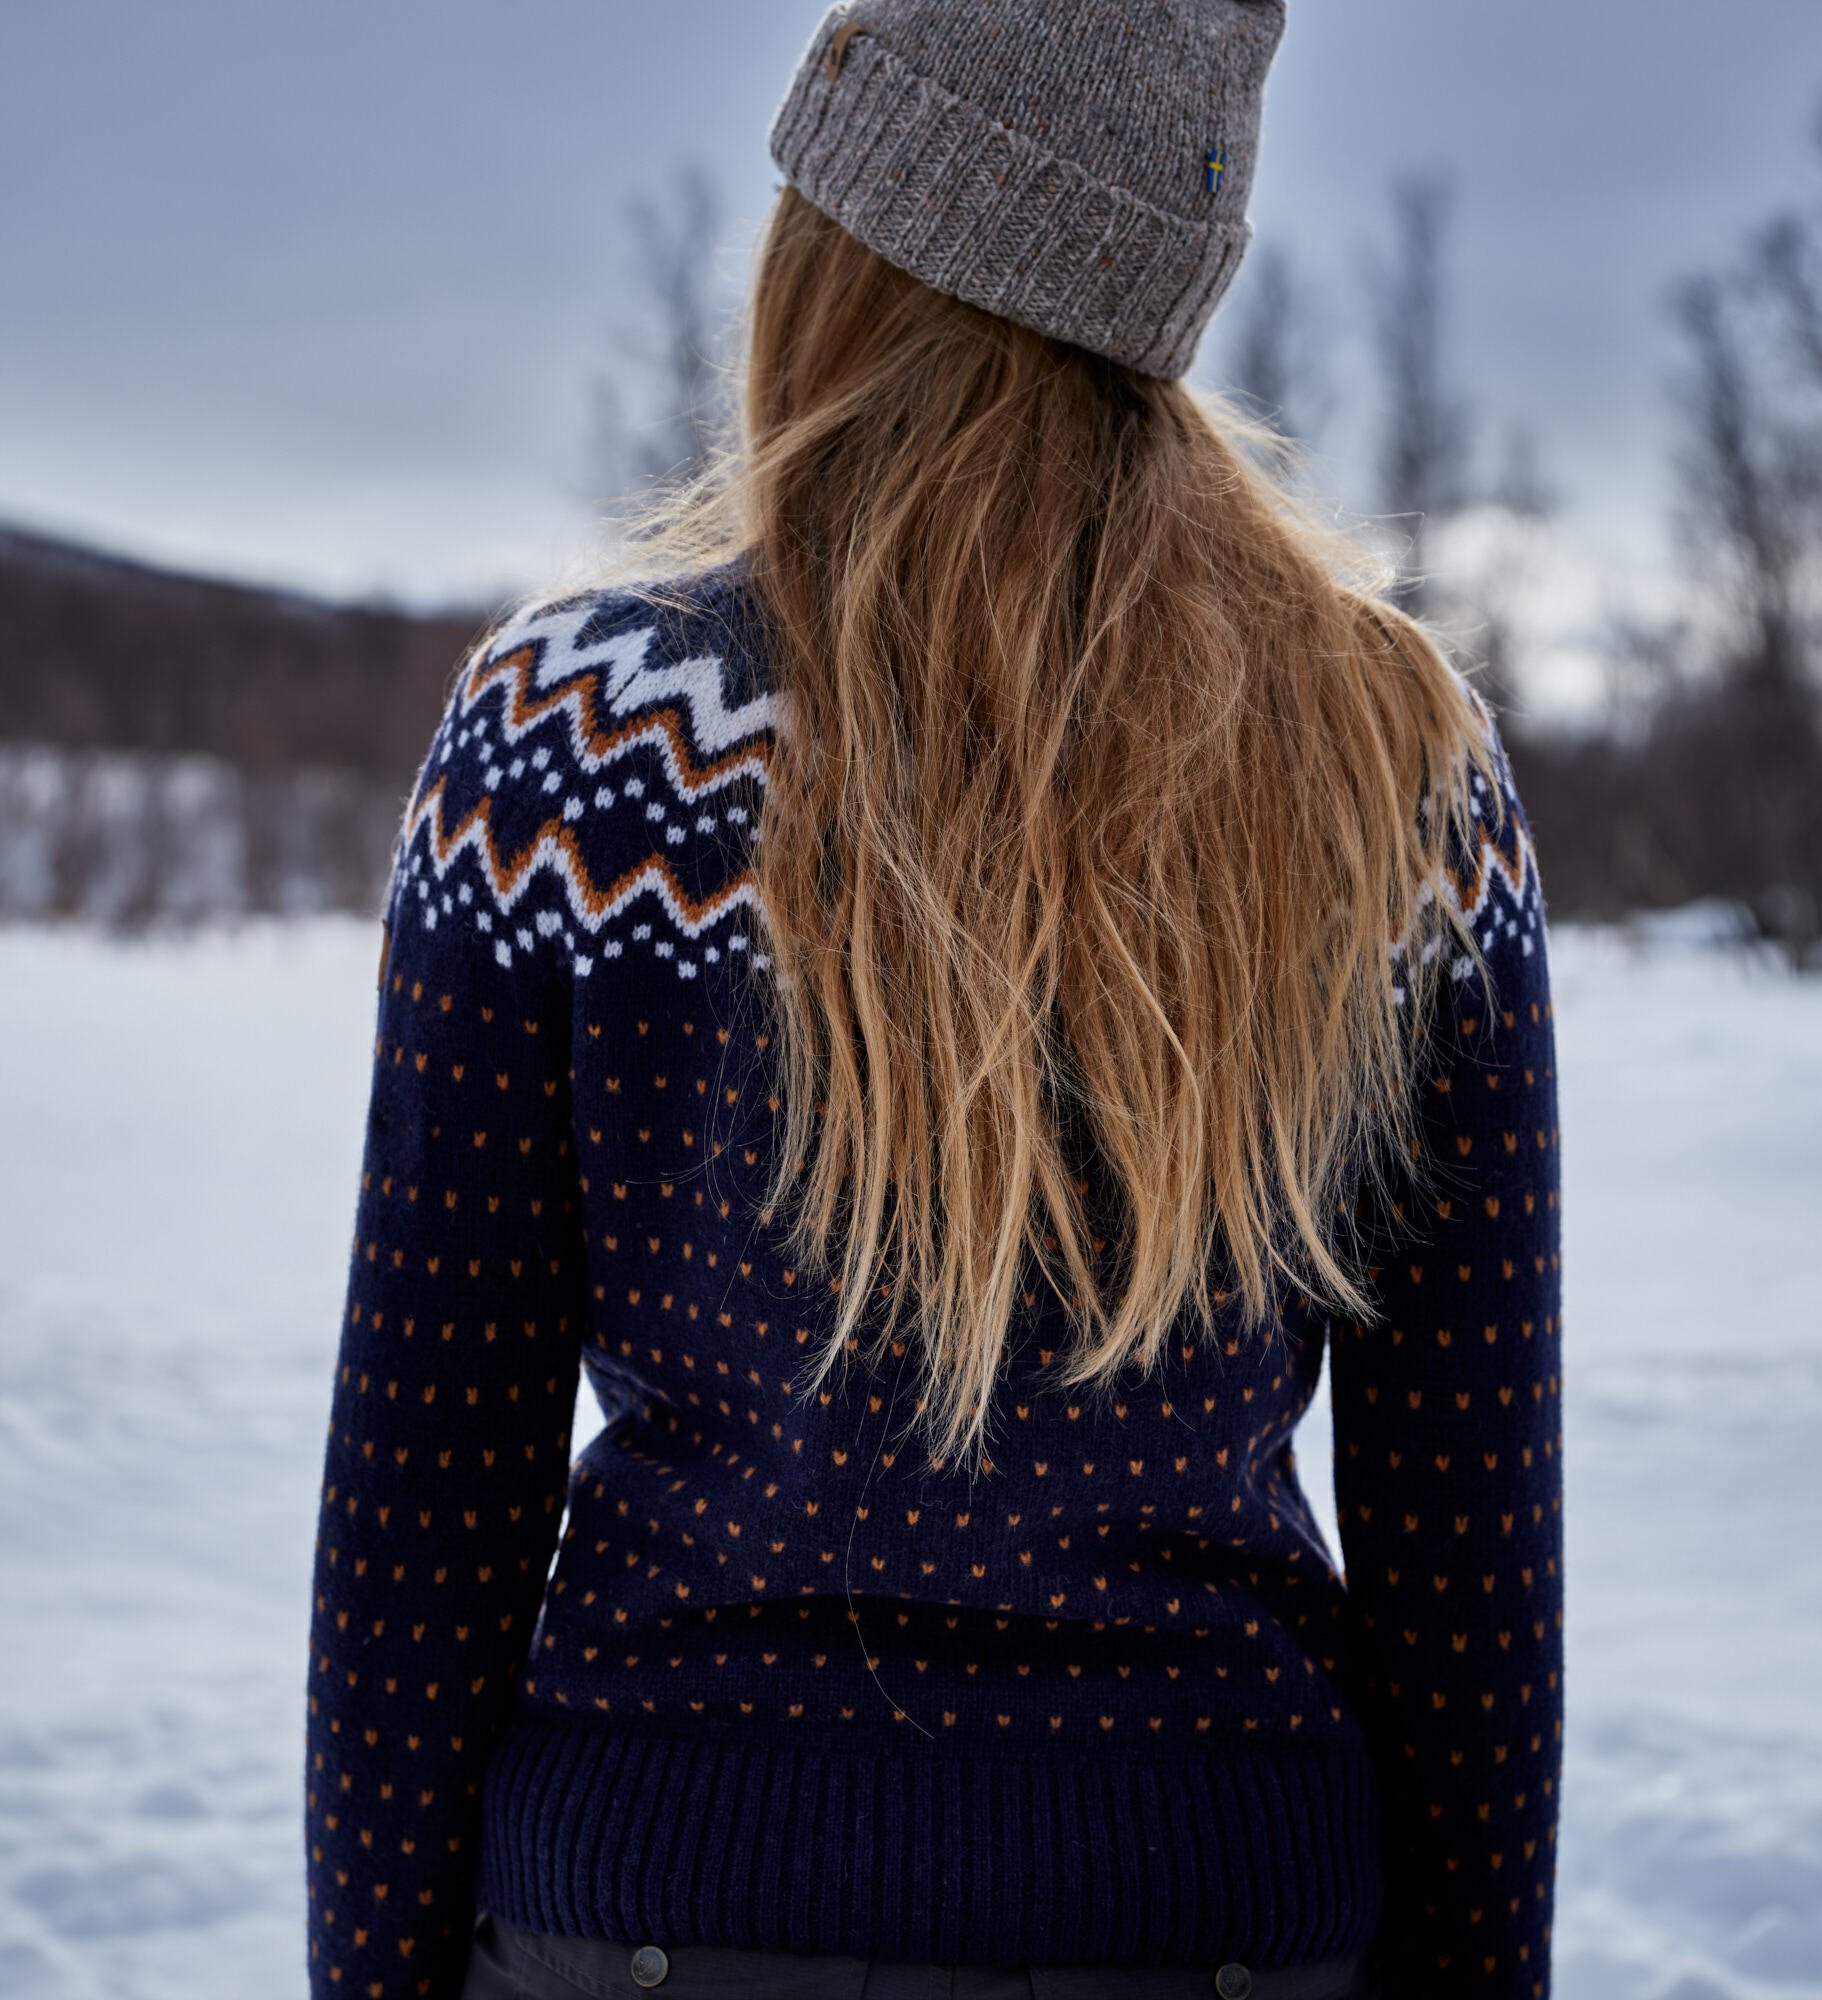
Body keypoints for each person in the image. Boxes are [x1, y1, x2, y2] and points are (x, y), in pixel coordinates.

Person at [301, 3, 1565, 1996]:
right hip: (1213, 1916)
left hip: (659, 1911)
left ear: (839, 248)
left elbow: (429, 1490)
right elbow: (1462, 1540)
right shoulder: (1385, 761)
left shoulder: (579, 739)